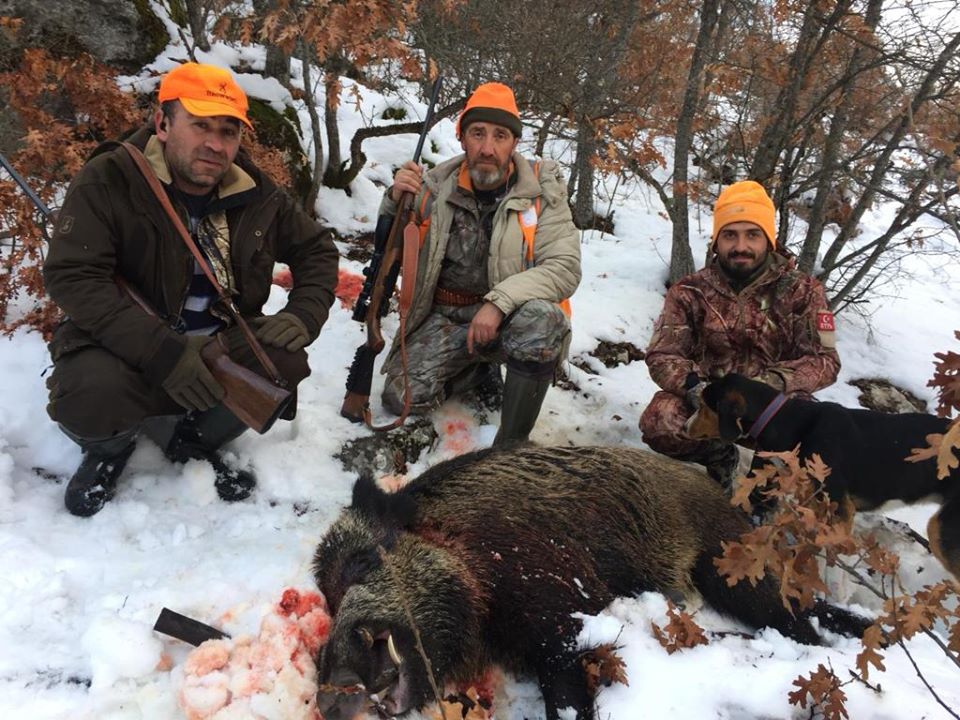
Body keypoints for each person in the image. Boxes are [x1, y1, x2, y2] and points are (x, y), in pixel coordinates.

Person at [43, 62, 339, 517]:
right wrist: (162, 352)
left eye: (228, 131)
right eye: (199, 125)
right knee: (90, 393)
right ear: (162, 123)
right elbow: (74, 277)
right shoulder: (110, 178)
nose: (215, 145)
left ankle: (194, 441)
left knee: (282, 360)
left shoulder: (258, 192)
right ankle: (111, 449)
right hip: (128, 344)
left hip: (218, 341)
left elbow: (316, 250)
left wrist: (304, 313)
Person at [379, 82, 580, 444]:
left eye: (500, 135)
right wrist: (394, 201)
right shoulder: (432, 187)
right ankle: (477, 369)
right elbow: (390, 250)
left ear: (514, 143)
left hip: (509, 318)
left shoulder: (541, 191)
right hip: (444, 315)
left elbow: (564, 267)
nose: (488, 148)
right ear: (462, 139)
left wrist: (498, 302)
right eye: (478, 133)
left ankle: (510, 445)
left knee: (544, 319)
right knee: (400, 397)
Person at [639, 180, 840, 484]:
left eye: (752, 235)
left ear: (769, 240)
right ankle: (722, 458)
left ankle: (769, 489)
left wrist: (770, 385)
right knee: (661, 421)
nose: (741, 246)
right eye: (730, 235)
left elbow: (825, 360)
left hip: (776, 407)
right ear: (716, 241)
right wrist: (698, 390)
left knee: (817, 443)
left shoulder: (804, 292)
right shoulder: (689, 291)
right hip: (711, 405)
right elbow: (663, 354)